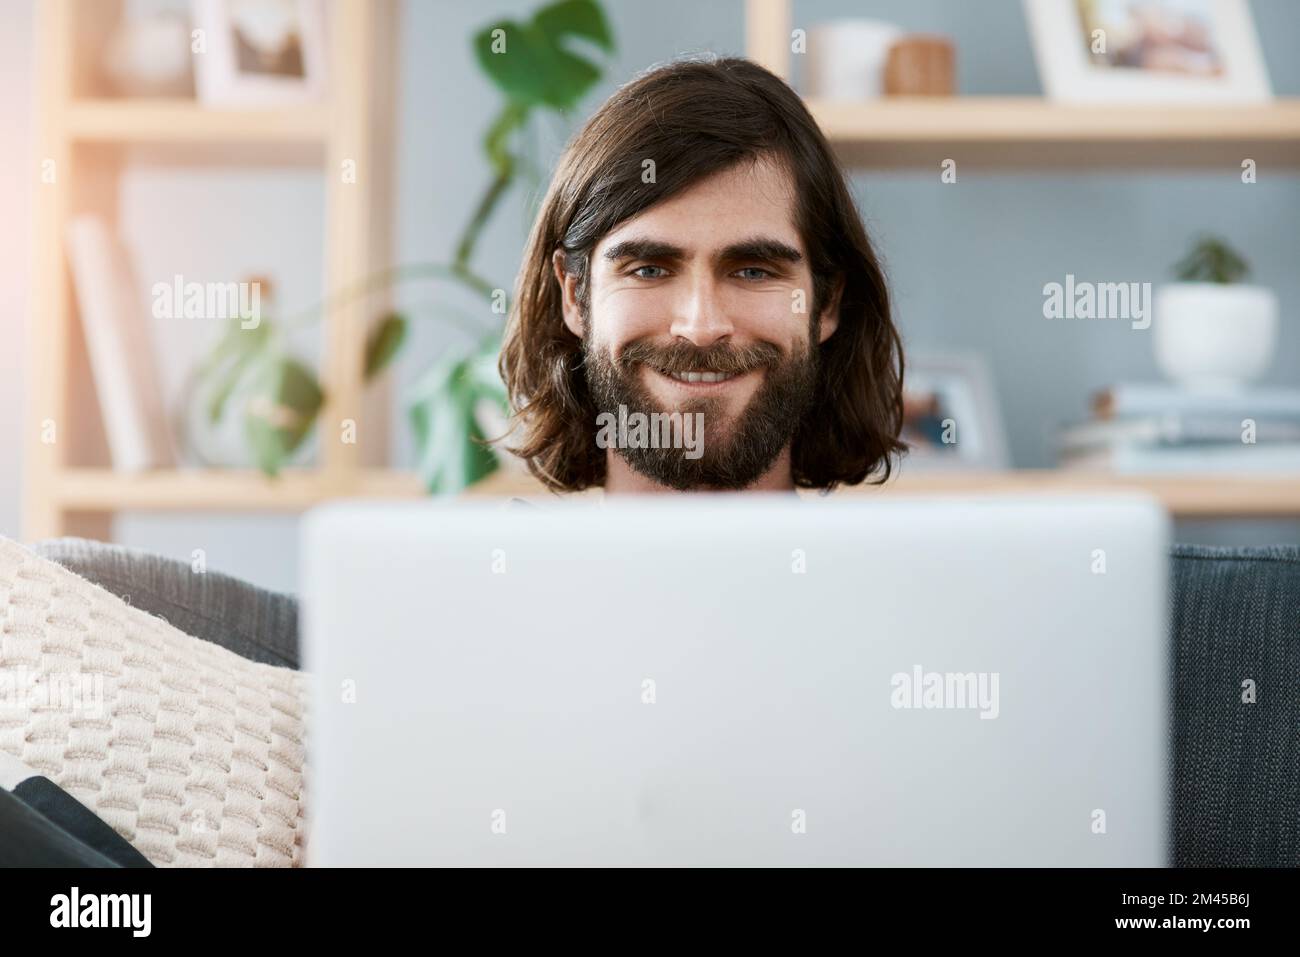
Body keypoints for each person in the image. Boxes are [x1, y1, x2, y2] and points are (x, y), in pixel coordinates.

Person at [499, 55, 906, 495]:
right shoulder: (504, 565)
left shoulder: (895, 566)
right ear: (576, 296)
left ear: (826, 302)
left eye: (753, 271)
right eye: (649, 270)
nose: (701, 328)